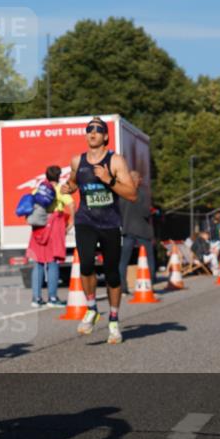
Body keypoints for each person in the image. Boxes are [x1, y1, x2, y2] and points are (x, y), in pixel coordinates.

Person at [62, 117, 138, 344]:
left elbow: (132, 194)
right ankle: (92, 308)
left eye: (97, 130)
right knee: (85, 264)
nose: (92, 133)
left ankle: (113, 321)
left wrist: (109, 180)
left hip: (110, 223)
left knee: (112, 272)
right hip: (86, 221)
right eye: (89, 130)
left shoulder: (115, 161)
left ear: (105, 136)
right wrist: (69, 187)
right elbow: (74, 182)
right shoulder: (78, 160)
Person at [27, 165, 73, 307]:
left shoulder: (37, 189)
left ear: (46, 176)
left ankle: (36, 298)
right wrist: (69, 226)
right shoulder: (60, 189)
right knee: (53, 263)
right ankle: (52, 298)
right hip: (55, 225)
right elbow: (72, 206)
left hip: (39, 227)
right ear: (59, 176)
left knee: (38, 262)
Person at [118, 170, 156, 296]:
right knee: (149, 258)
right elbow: (145, 212)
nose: (141, 180)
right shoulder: (142, 193)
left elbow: (119, 212)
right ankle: (149, 285)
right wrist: (153, 212)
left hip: (128, 229)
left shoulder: (122, 194)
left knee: (124, 260)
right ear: (135, 179)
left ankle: (122, 288)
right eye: (139, 178)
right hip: (142, 231)